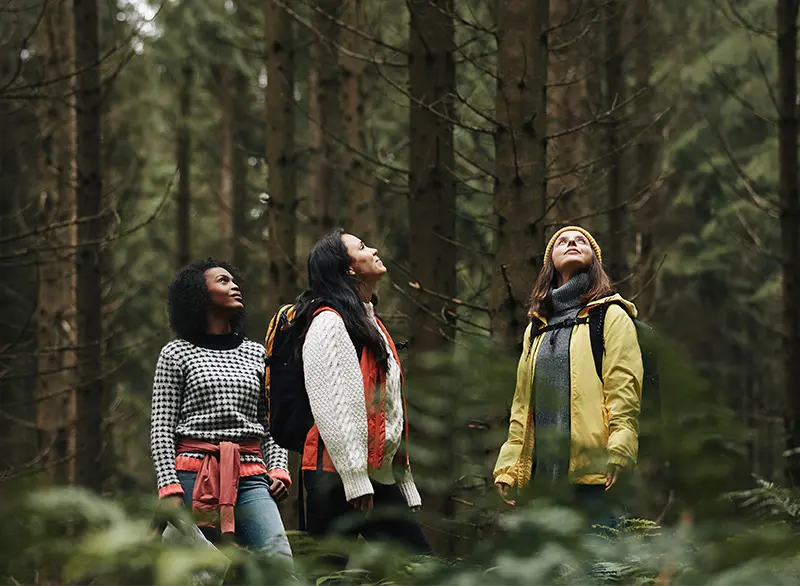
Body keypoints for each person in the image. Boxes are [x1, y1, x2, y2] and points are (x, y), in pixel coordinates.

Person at [290, 229, 430, 554]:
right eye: (363, 247)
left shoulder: (370, 323)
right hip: (336, 478)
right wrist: (354, 478)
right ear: (349, 269)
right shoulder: (329, 323)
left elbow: (389, 410)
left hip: (373, 475)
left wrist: (402, 480)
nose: (375, 249)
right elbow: (336, 407)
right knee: (329, 576)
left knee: (417, 568)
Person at [493, 226, 643, 529]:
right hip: (542, 478)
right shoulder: (536, 328)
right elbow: (522, 405)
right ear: (550, 261)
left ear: (594, 260)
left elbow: (624, 389)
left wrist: (620, 448)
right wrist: (509, 465)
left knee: (600, 571)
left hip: (594, 473)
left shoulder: (610, 315)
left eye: (580, 241)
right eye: (562, 241)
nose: (571, 242)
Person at [150, 258, 292, 558]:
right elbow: (161, 428)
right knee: (200, 571)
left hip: (251, 476)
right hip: (191, 475)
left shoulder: (257, 354)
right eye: (223, 281)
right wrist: (169, 486)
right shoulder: (176, 354)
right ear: (199, 295)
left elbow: (270, 422)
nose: (235, 286)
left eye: (234, 280)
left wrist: (278, 467)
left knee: (279, 562)